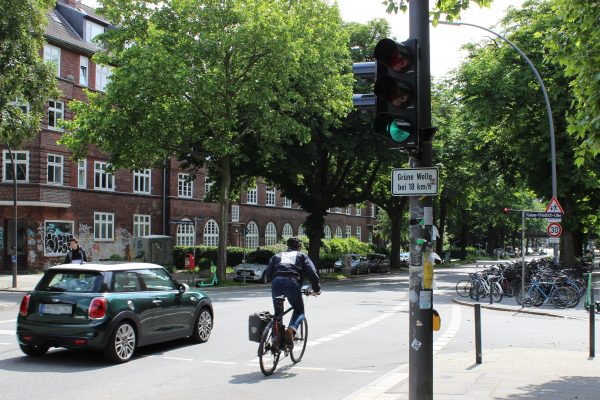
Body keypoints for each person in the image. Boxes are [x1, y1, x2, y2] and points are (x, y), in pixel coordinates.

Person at [265, 237, 320, 348]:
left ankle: (276, 339)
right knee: (299, 311)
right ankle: (291, 330)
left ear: (287, 246)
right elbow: (312, 273)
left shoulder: (277, 256)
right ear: (299, 247)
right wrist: (316, 288)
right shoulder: (301, 255)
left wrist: (276, 279)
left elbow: (268, 274)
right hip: (292, 282)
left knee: (278, 313)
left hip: (276, 283)